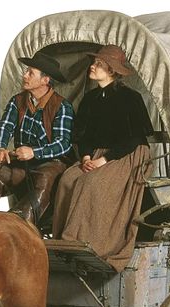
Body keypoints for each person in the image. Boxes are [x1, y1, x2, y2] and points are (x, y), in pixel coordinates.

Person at [52, 45, 154, 272]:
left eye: (98, 64)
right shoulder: (90, 99)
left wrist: (102, 161)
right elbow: (83, 135)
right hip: (96, 154)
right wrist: (87, 156)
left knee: (92, 184)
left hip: (127, 155)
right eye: (94, 63)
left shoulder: (131, 98)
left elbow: (134, 139)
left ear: (112, 71)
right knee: (68, 179)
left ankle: (88, 244)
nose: (93, 66)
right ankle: (62, 241)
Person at [0, 50, 74, 224]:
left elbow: (63, 144)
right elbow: (5, 126)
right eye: (26, 71)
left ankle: (17, 223)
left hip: (50, 164)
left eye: (31, 73)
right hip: (21, 163)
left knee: (45, 179)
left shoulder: (62, 107)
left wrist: (34, 152)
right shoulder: (17, 101)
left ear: (46, 80)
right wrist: (0, 147)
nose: (25, 75)